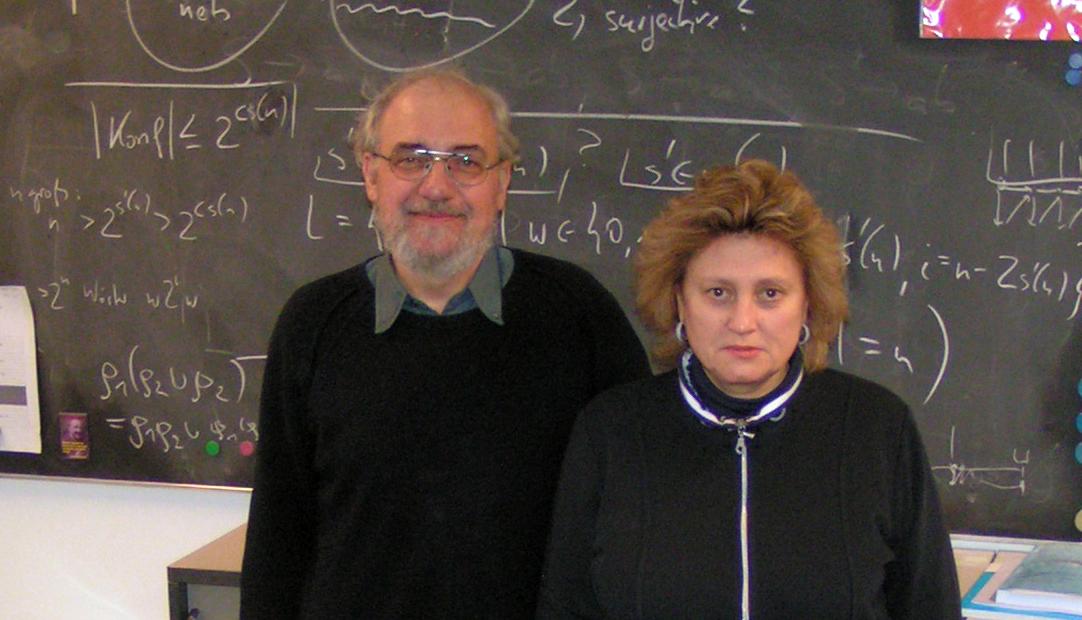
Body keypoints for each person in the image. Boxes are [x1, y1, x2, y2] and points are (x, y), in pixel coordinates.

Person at [239, 67, 650, 619]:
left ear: (502, 182)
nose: (436, 186)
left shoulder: (579, 316)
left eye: (466, 161)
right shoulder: (311, 325)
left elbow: (634, 515)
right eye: (411, 158)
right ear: (370, 174)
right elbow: (278, 541)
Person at [538, 160, 961, 619]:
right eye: (718, 293)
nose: (742, 322)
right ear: (679, 300)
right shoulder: (611, 431)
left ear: (808, 303)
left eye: (770, 294)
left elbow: (929, 607)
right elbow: (566, 608)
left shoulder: (876, 429)